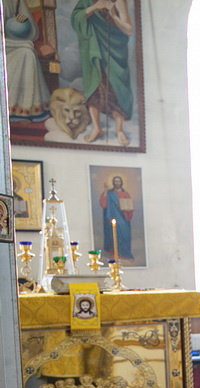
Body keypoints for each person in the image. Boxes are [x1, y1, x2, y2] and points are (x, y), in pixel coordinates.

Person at [72, 0, 135, 146]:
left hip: (115, 52)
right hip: (94, 49)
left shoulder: (118, 1)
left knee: (116, 90)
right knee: (95, 88)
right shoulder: (87, 1)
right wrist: (94, 7)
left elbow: (129, 30)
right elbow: (75, 19)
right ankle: (97, 128)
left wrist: (113, 16)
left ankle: (119, 130)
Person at [4, 0, 50, 121]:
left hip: (9, 44)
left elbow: (32, 32)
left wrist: (23, 23)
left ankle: (23, 109)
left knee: (27, 53)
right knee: (27, 47)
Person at [99, 175, 133, 260]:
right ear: (113, 183)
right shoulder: (109, 193)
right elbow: (103, 204)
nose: (117, 183)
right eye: (115, 181)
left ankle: (125, 253)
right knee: (114, 235)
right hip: (112, 217)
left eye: (118, 181)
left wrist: (128, 209)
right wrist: (105, 190)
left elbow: (129, 206)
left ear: (121, 182)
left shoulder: (125, 194)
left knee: (125, 234)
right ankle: (114, 254)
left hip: (123, 218)